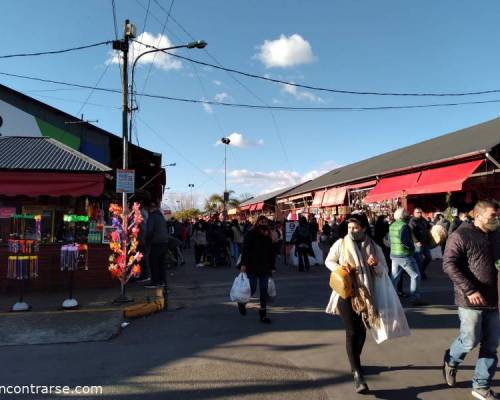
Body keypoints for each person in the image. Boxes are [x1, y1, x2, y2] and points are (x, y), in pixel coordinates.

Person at [325, 214, 409, 394]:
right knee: (352, 331)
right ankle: (357, 374)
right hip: (346, 294)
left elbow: (384, 270)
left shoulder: (375, 247)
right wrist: (341, 268)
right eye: (349, 228)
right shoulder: (341, 244)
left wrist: (375, 265)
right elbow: (328, 261)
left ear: (363, 228)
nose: (352, 231)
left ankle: (355, 361)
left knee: (362, 331)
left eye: (355, 228)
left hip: (367, 296)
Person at [442, 200, 499, 400]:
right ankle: (451, 359)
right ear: (477, 215)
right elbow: (449, 264)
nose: (496, 219)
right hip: (470, 301)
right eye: (492, 216)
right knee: (470, 341)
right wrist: (470, 289)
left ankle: (481, 385)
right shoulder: (460, 235)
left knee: (491, 345)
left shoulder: (497, 235)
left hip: (495, 300)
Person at [239, 216, 275, 323]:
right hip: (252, 266)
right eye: (261, 221)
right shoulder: (251, 234)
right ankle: (242, 303)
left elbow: (271, 252)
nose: (263, 223)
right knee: (252, 288)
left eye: (265, 222)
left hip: (265, 267)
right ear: (257, 222)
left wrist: (273, 266)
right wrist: (243, 264)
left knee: (264, 291)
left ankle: (263, 314)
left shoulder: (269, 235)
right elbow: (245, 250)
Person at [389, 208, 425, 306]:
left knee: (394, 278)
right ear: (403, 215)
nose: (408, 214)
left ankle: (390, 297)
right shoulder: (404, 226)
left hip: (394, 254)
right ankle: (415, 298)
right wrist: (412, 247)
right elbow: (405, 241)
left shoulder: (392, 225)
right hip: (404, 255)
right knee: (415, 275)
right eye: (406, 213)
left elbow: (390, 240)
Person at [145, 202, 170, 288]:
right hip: (164, 242)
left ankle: (155, 282)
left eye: (148, 208)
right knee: (161, 264)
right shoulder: (161, 217)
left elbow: (149, 231)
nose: (148, 210)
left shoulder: (152, 217)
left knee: (153, 262)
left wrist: (147, 240)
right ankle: (162, 281)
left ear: (151, 208)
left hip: (156, 242)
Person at [409, 208, 432, 280]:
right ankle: (420, 274)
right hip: (418, 243)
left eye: (420, 212)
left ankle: (421, 271)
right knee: (419, 259)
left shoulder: (423, 220)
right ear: (414, 213)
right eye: (417, 212)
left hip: (425, 242)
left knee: (428, 258)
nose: (419, 213)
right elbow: (411, 232)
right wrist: (416, 241)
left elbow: (429, 226)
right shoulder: (412, 221)